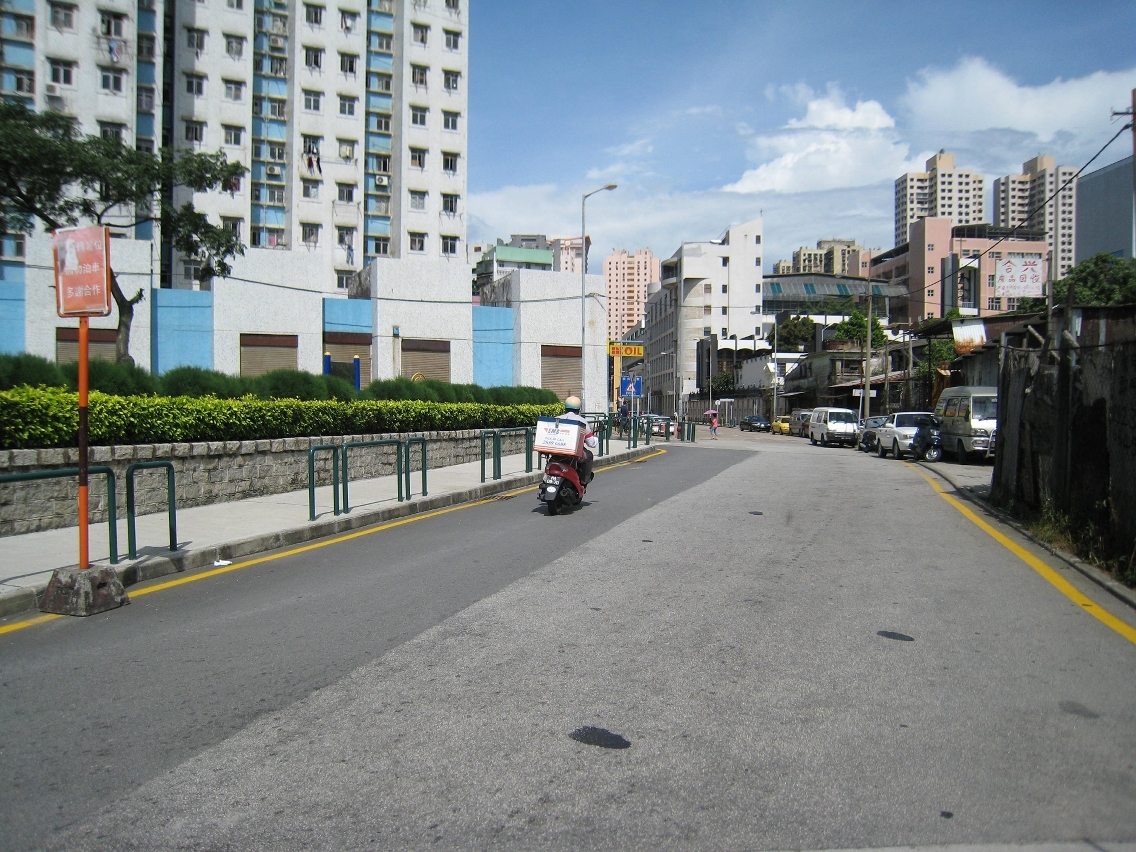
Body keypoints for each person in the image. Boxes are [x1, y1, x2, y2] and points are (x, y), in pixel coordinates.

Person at [559, 396, 598, 483]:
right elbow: (591, 443)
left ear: (565, 408)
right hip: (573, 453)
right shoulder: (582, 421)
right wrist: (596, 439)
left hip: (557, 452)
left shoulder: (557, 418)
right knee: (589, 455)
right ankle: (584, 481)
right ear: (578, 410)